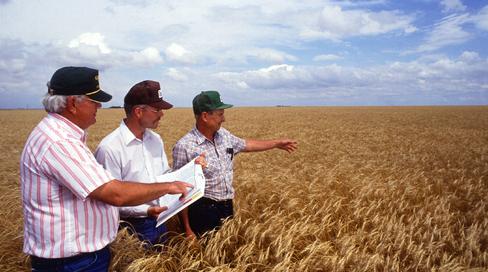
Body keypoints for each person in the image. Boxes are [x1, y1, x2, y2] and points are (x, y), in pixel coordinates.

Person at [20, 66, 193, 272]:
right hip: (72, 263)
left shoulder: (61, 136)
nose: (99, 106)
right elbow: (114, 194)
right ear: (74, 104)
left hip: (79, 259)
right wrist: (167, 187)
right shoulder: (59, 142)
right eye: (94, 100)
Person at [172, 90, 297, 237]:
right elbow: (180, 192)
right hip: (202, 211)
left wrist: (276, 144)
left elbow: (246, 145)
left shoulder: (224, 135)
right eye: (220, 114)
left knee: (227, 247)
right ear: (205, 116)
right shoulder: (185, 146)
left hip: (227, 206)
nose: (223, 119)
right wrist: (187, 230)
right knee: (206, 256)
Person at [94, 80, 202, 244]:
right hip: (130, 228)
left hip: (161, 219)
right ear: (138, 111)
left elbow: (165, 176)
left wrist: (192, 168)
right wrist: (146, 210)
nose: (161, 114)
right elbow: (110, 199)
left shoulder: (155, 139)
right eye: (157, 109)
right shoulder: (110, 148)